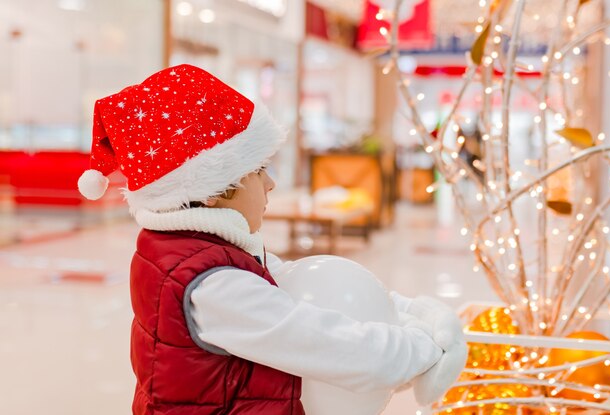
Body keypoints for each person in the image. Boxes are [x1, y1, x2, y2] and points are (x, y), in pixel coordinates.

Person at [77, 64, 467, 415]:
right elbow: (323, 343)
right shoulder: (211, 284)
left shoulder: (189, 251)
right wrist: (422, 350)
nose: (271, 183)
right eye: (259, 170)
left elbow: (285, 277)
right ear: (212, 187)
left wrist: (411, 313)